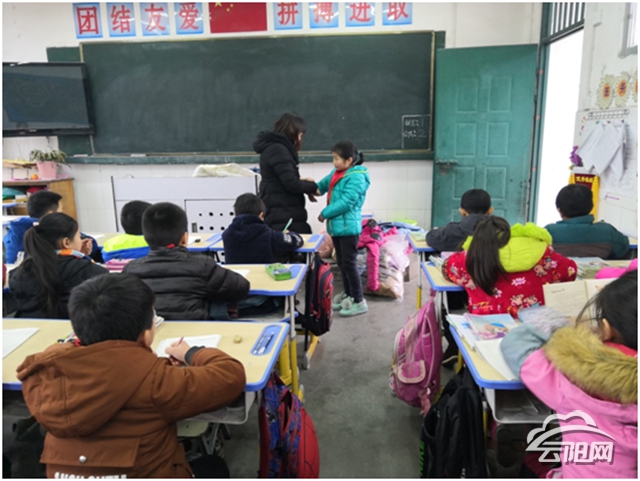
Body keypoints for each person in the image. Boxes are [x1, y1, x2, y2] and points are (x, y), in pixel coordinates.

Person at [17, 273, 246, 478]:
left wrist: (140, 358)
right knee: (213, 467)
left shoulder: (46, 371)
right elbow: (230, 375)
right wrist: (191, 352)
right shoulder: (156, 381)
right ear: (146, 334)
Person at [501, 270, 637, 479]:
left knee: (540, 460)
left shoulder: (575, 378)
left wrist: (569, 329)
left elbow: (516, 344)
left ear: (606, 329)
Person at [123, 202, 250, 320]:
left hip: (152, 334)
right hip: (195, 333)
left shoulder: (130, 271)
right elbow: (241, 288)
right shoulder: (202, 266)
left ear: (146, 238)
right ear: (184, 238)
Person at [442, 216, 577, 317]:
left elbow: (447, 269)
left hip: (487, 328)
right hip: (536, 326)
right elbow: (570, 270)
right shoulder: (542, 251)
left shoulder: (469, 257)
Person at [9, 213, 108, 318]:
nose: (81, 240)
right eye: (79, 236)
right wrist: (82, 259)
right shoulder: (89, 271)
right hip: (74, 325)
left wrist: (77, 255)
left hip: (30, 325)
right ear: (66, 242)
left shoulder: (19, 273)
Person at [316, 140, 370, 317]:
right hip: (337, 228)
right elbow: (321, 186)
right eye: (333, 158)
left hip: (348, 229)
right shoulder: (337, 173)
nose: (334, 162)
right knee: (342, 264)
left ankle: (359, 301)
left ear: (349, 160)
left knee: (349, 264)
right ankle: (349, 295)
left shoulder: (357, 177)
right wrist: (309, 187)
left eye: (336, 159)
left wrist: (325, 213)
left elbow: (346, 202)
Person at [254, 113, 318, 234]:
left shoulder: (276, 147)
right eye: (300, 134)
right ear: (292, 132)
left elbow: (282, 178)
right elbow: (291, 183)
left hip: (279, 208)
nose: (300, 139)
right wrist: (314, 187)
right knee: (291, 242)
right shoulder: (278, 150)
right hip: (282, 211)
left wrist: (304, 182)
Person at [3, 190, 100, 264]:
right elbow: (90, 244)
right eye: (61, 210)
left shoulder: (14, 230)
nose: (63, 214)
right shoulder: (54, 229)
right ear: (51, 214)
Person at [545, 184, 630, 259]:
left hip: (560, 272)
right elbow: (622, 249)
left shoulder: (548, 232)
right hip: (598, 272)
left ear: (559, 210)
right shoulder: (607, 231)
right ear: (591, 207)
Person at [222, 193, 304, 264]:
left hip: (235, 277)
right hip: (264, 277)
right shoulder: (269, 235)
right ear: (261, 215)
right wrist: (289, 234)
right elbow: (297, 240)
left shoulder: (226, 235)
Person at [426, 188, 493, 252]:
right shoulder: (497, 232)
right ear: (490, 211)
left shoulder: (452, 232)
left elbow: (431, 237)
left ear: (462, 212)